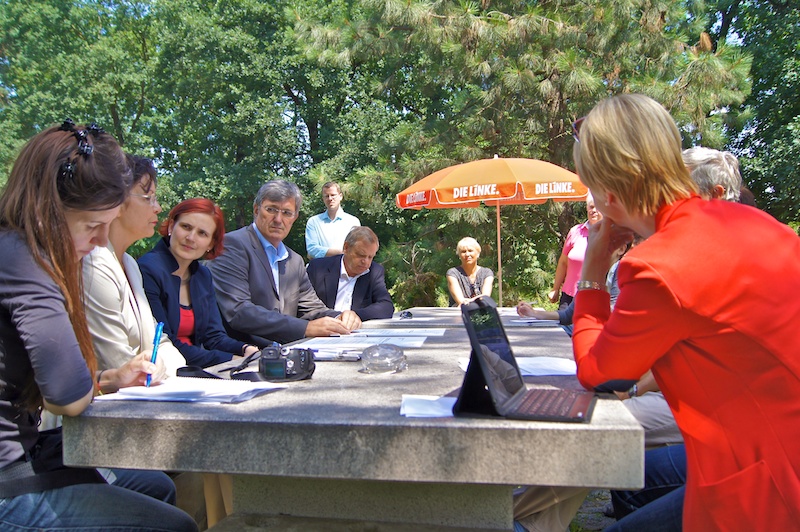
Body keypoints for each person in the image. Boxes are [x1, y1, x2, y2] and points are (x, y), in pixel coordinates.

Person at [571, 93, 800, 530]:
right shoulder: (758, 223)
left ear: (610, 196)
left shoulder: (657, 265)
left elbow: (599, 373)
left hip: (767, 494)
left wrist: (594, 275)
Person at [0, 120, 197, 531]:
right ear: (47, 211)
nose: (100, 239)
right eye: (92, 226)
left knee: (155, 487)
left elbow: (68, 386)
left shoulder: (19, 249)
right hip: (9, 481)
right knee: (174, 525)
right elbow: (67, 397)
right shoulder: (25, 262)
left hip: (29, 452)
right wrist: (90, 382)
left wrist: (110, 378)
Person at [208, 180, 362, 346]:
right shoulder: (232, 245)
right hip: (241, 356)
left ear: (294, 217)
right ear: (256, 209)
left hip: (286, 355)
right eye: (271, 209)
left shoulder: (294, 260)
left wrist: (340, 317)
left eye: (287, 213)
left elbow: (312, 309)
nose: (278, 219)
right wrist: (306, 328)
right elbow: (239, 312)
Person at [82, 155, 186, 376]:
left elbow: (160, 341)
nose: (157, 208)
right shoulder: (93, 265)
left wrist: (180, 372)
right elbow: (118, 365)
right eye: (148, 198)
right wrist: (163, 371)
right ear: (116, 202)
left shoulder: (129, 264)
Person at [138, 198, 261, 367]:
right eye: (186, 227)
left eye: (202, 233)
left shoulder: (203, 275)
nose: (191, 238)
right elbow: (163, 342)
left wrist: (245, 349)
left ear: (211, 244)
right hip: (164, 369)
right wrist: (229, 360)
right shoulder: (148, 270)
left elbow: (214, 336)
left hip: (198, 368)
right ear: (172, 226)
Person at [306, 226, 394, 320]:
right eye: (361, 255)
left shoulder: (374, 272)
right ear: (346, 247)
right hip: (322, 328)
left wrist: (353, 316)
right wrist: (336, 317)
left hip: (355, 331)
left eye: (370, 257)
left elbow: (386, 306)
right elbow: (305, 306)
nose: (366, 262)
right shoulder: (318, 268)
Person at [548, 192, 602, 308]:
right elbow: (563, 262)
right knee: (561, 325)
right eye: (591, 207)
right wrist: (555, 289)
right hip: (569, 297)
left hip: (595, 298)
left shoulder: (612, 235)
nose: (594, 210)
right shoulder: (575, 231)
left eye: (598, 206)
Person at [305, 181, 360, 259]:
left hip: (345, 270)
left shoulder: (353, 222)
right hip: (322, 269)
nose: (330, 198)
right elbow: (312, 250)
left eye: (333, 195)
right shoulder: (313, 222)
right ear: (323, 199)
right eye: (326, 196)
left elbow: (356, 249)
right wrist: (342, 252)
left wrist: (323, 252)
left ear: (340, 196)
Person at [446, 237, 494, 306]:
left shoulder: (487, 273)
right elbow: (461, 301)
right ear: (459, 255)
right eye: (463, 251)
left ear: (478, 253)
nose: (467, 254)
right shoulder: (452, 273)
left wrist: (472, 301)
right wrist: (478, 300)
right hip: (457, 313)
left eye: (470, 250)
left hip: (481, 313)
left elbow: (485, 298)